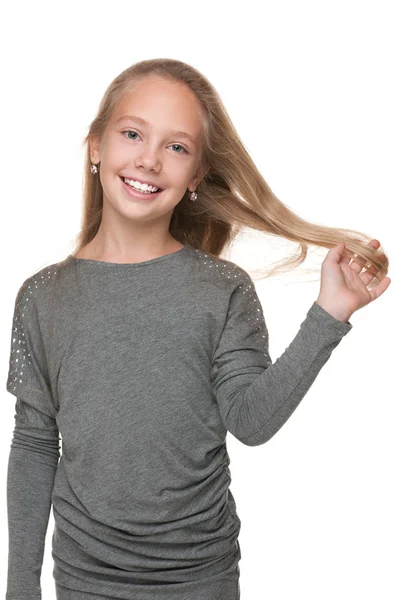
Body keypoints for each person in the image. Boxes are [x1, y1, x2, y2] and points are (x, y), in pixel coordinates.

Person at [5, 58, 391, 600]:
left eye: (177, 147)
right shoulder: (43, 298)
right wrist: (20, 588)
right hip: (85, 581)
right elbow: (35, 445)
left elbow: (252, 422)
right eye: (133, 133)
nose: (150, 159)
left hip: (200, 580)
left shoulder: (221, 289)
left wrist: (329, 314)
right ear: (97, 146)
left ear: (196, 177)